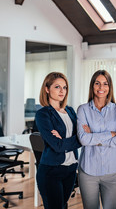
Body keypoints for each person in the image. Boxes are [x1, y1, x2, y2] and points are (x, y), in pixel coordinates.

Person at [76, 70, 116, 209]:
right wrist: (110, 134)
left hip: (112, 170)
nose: (101, 88)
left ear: (110, 87)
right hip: (88, 171)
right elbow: (83, 140)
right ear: (92, 86)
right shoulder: (83, 110)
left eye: (105, 84)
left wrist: (93, 135)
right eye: (97, 83)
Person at [35, 72, 81, 209]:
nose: (62, 91)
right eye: (57, 87)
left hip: (71, 169)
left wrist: (67, 140)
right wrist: (76, 138)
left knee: (63, 205)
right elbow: (57, 146)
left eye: (65, 87)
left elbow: (83, 137)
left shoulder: (70, 111)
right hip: (51, 171)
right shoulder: (43, 114)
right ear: (47, 89)